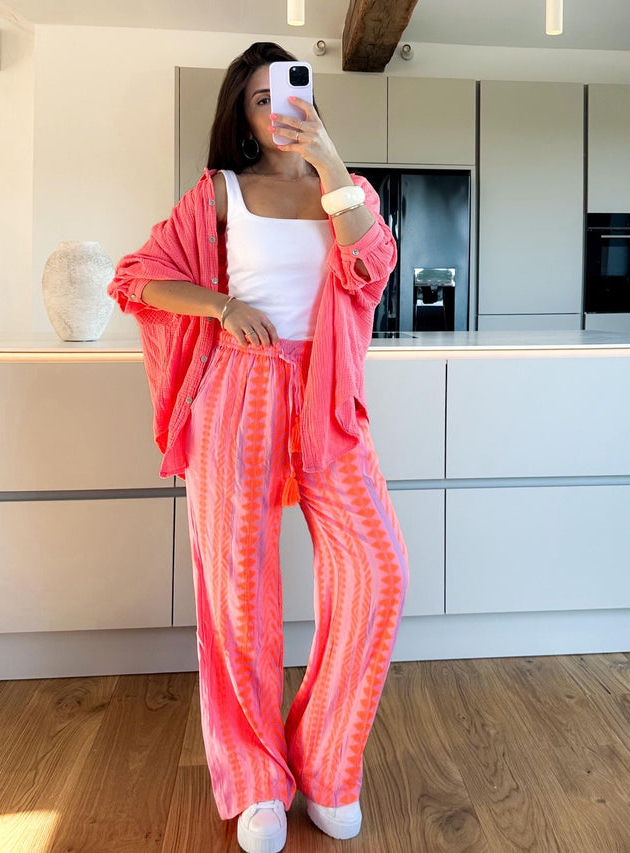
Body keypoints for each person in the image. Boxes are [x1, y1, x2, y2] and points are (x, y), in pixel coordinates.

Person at [108, 41, 409, 853]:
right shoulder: (220, 191)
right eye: (258, 99)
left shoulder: (346, 190)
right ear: (241, 117)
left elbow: (373, 265)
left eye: (287, 92)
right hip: (237, 389)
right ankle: (255, 780)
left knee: (378, 571)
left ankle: (328, 763)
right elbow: (136, 277)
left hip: (326, 397)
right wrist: (220, 306)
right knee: (238, 589)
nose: (276, 109)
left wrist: (330, 162)